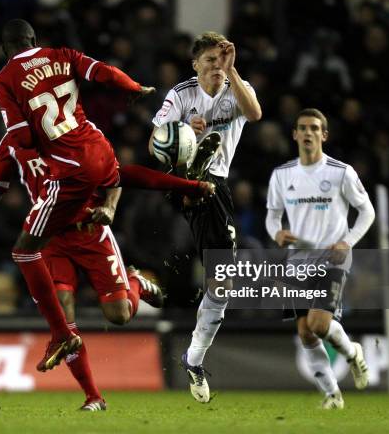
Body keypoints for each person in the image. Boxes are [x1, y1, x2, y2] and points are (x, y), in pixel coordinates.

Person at [0, 19, 212, 373]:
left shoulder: (4, 83)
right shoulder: (63, 56)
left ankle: (129, 283)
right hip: (78, 184)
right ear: (34, 40)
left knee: (30, 254)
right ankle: (86, 383)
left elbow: (22, 138)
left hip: (79, 201)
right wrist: (135, 87)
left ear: (3, 48)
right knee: (114, 177)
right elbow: (103, 72)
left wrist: (34, 141)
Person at [0, 135, 163, 411]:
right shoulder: (12, 142)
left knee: (118, 315)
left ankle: (135, 283)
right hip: (49, 237)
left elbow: (113, 175)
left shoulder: (73, 133)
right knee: (64, 316)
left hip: (90, 233)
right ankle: (93, 396)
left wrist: (109, 206)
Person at [150, 31, 262, 402]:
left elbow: (255, 114)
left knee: (222, 283)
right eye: (210, 61)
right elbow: (155, 141)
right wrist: (181, 131)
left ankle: (194, 359)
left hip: (217, 189)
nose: (217, 67)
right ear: (195, 64)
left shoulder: (236, 88)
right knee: (195, 171)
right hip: (184, 179)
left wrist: (235, 70)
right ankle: (193, 167)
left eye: (221, 60)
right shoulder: (181, 94)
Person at [265, 108, 375, 409]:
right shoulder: (282, 175)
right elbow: (272, 217)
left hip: (332, 259)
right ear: (295, 135)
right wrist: (277, 234)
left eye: (315, 128)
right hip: (297, 261)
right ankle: (332, 394)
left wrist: (347, 241)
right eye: (303, 128)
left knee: (319, 323)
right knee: (304, 331)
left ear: (323, 134)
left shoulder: (341, 172)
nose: (309, 132)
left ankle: (353, 353)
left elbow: (367, 211)